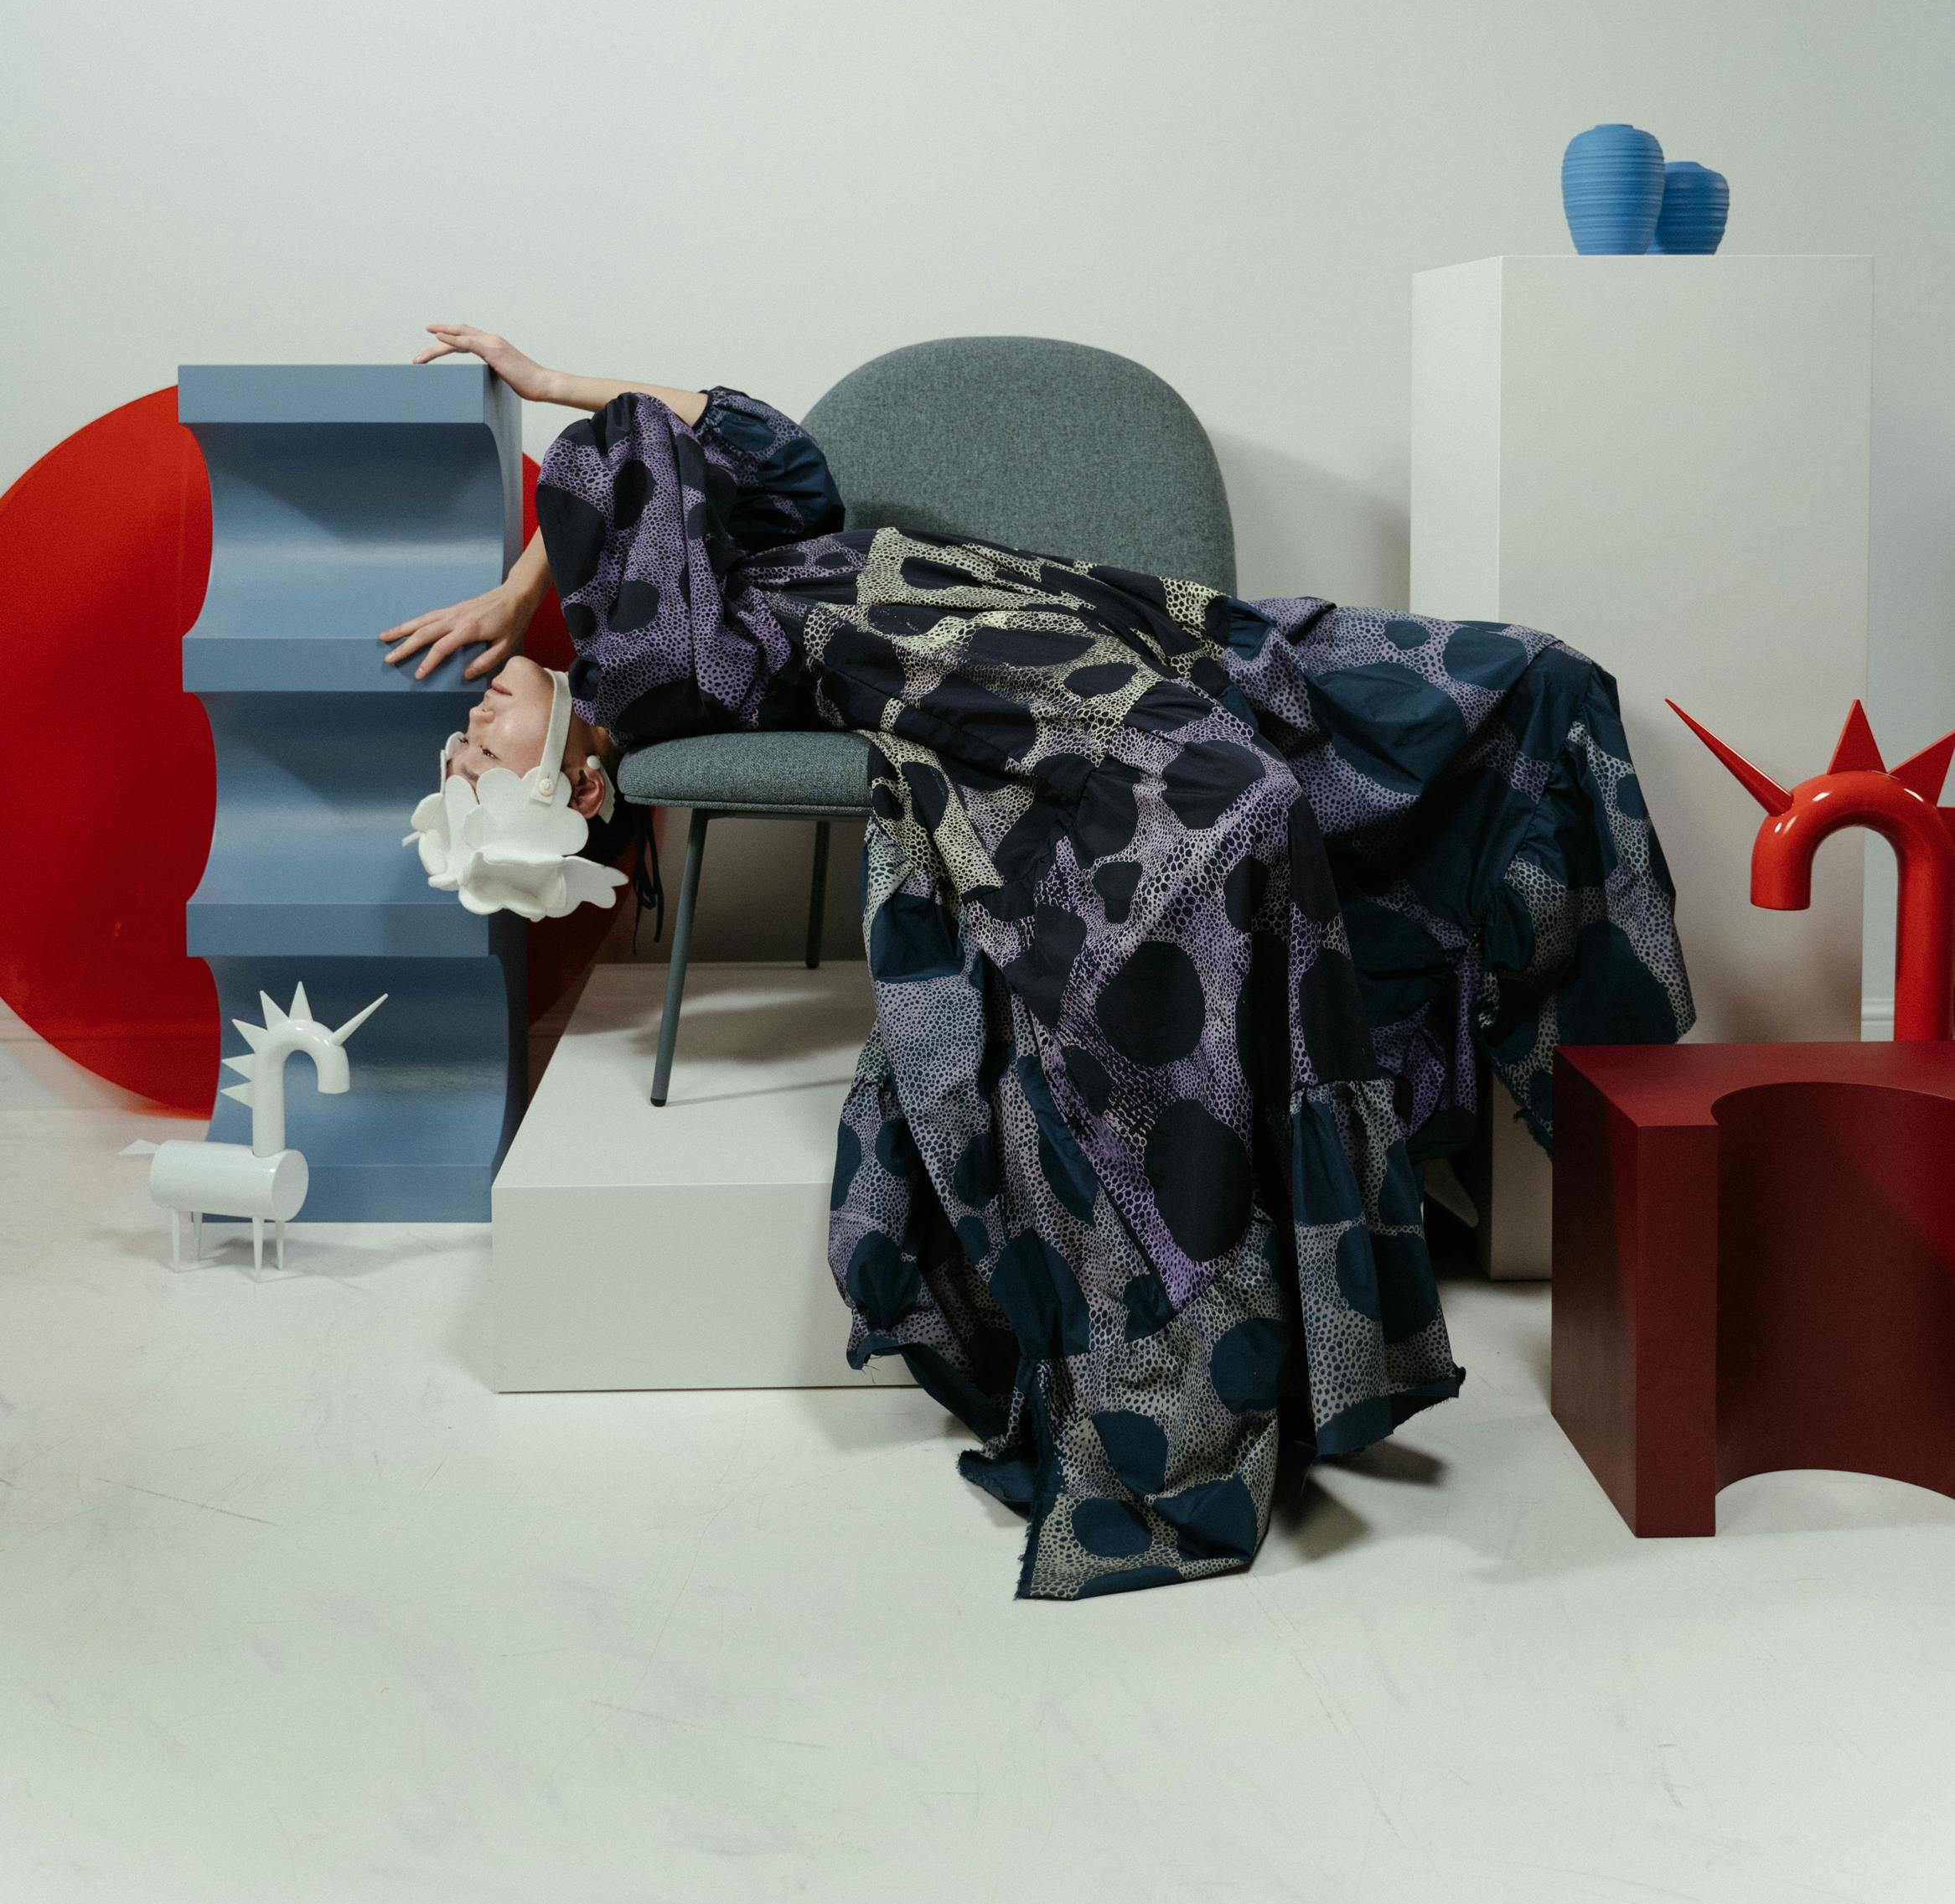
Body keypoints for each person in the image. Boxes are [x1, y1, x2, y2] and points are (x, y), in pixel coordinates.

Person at [385, 323, 1694, 1602]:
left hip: (1090, 609)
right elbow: (656, 458)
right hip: (976, 667)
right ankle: (1243, 1319)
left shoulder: (640, 609)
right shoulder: (657, 662)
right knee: (1228, 810)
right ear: (570, 781)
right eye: (477, 756)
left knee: (1518, 675)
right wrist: (550, 597)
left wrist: (537, 446)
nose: (470, 721)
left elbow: (770, 455)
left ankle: (1620, 1140)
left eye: (469, 727)